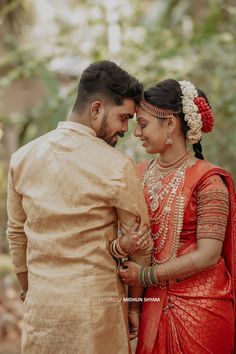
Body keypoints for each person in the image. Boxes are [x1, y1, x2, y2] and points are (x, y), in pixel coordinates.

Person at [6, 60, 153, 354]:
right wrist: (134, 307)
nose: (125, 129)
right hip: (97, 318)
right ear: (96, 109)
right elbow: (141, 245)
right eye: (123, 117)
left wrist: (29, 291)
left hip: (43, 312)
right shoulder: (117, 165)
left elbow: (16, 235)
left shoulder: (23, 157)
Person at [119, 79, 236, 354]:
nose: (137, 133)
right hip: (152, 306)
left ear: (170, 124)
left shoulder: (209, 182)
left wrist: (145, 276)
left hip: (201, 310)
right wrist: (134, 306)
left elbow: (208, 254)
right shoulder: (137, 175)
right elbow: (137, 248)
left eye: (144, 124)